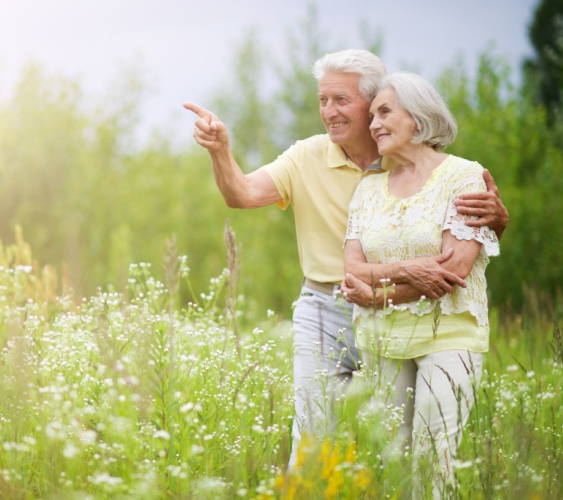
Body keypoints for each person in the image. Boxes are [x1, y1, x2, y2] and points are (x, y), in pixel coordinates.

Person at [183, 49, 508, 468]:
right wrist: (220, 151)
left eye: (341, 100)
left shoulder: (405, 149)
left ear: (374, 103)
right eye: (322, 100)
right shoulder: (307, 156)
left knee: (398, 452)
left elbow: (460, 237)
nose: (329, 112)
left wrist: (498, 221)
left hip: (400, 309)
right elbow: (241, 194)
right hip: (326, 308)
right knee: (315, 442)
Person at [341, 72, 500, 497]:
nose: (373, 124)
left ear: (419, 116)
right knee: (389, 461)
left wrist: (376, 294)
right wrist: (411, 270)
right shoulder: (368, 189)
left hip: (448, 334)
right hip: (381, 340)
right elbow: (351, 269)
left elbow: (453, 272)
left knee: (434, 460)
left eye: (385, 112)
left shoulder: (464, 177)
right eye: (371, 115)